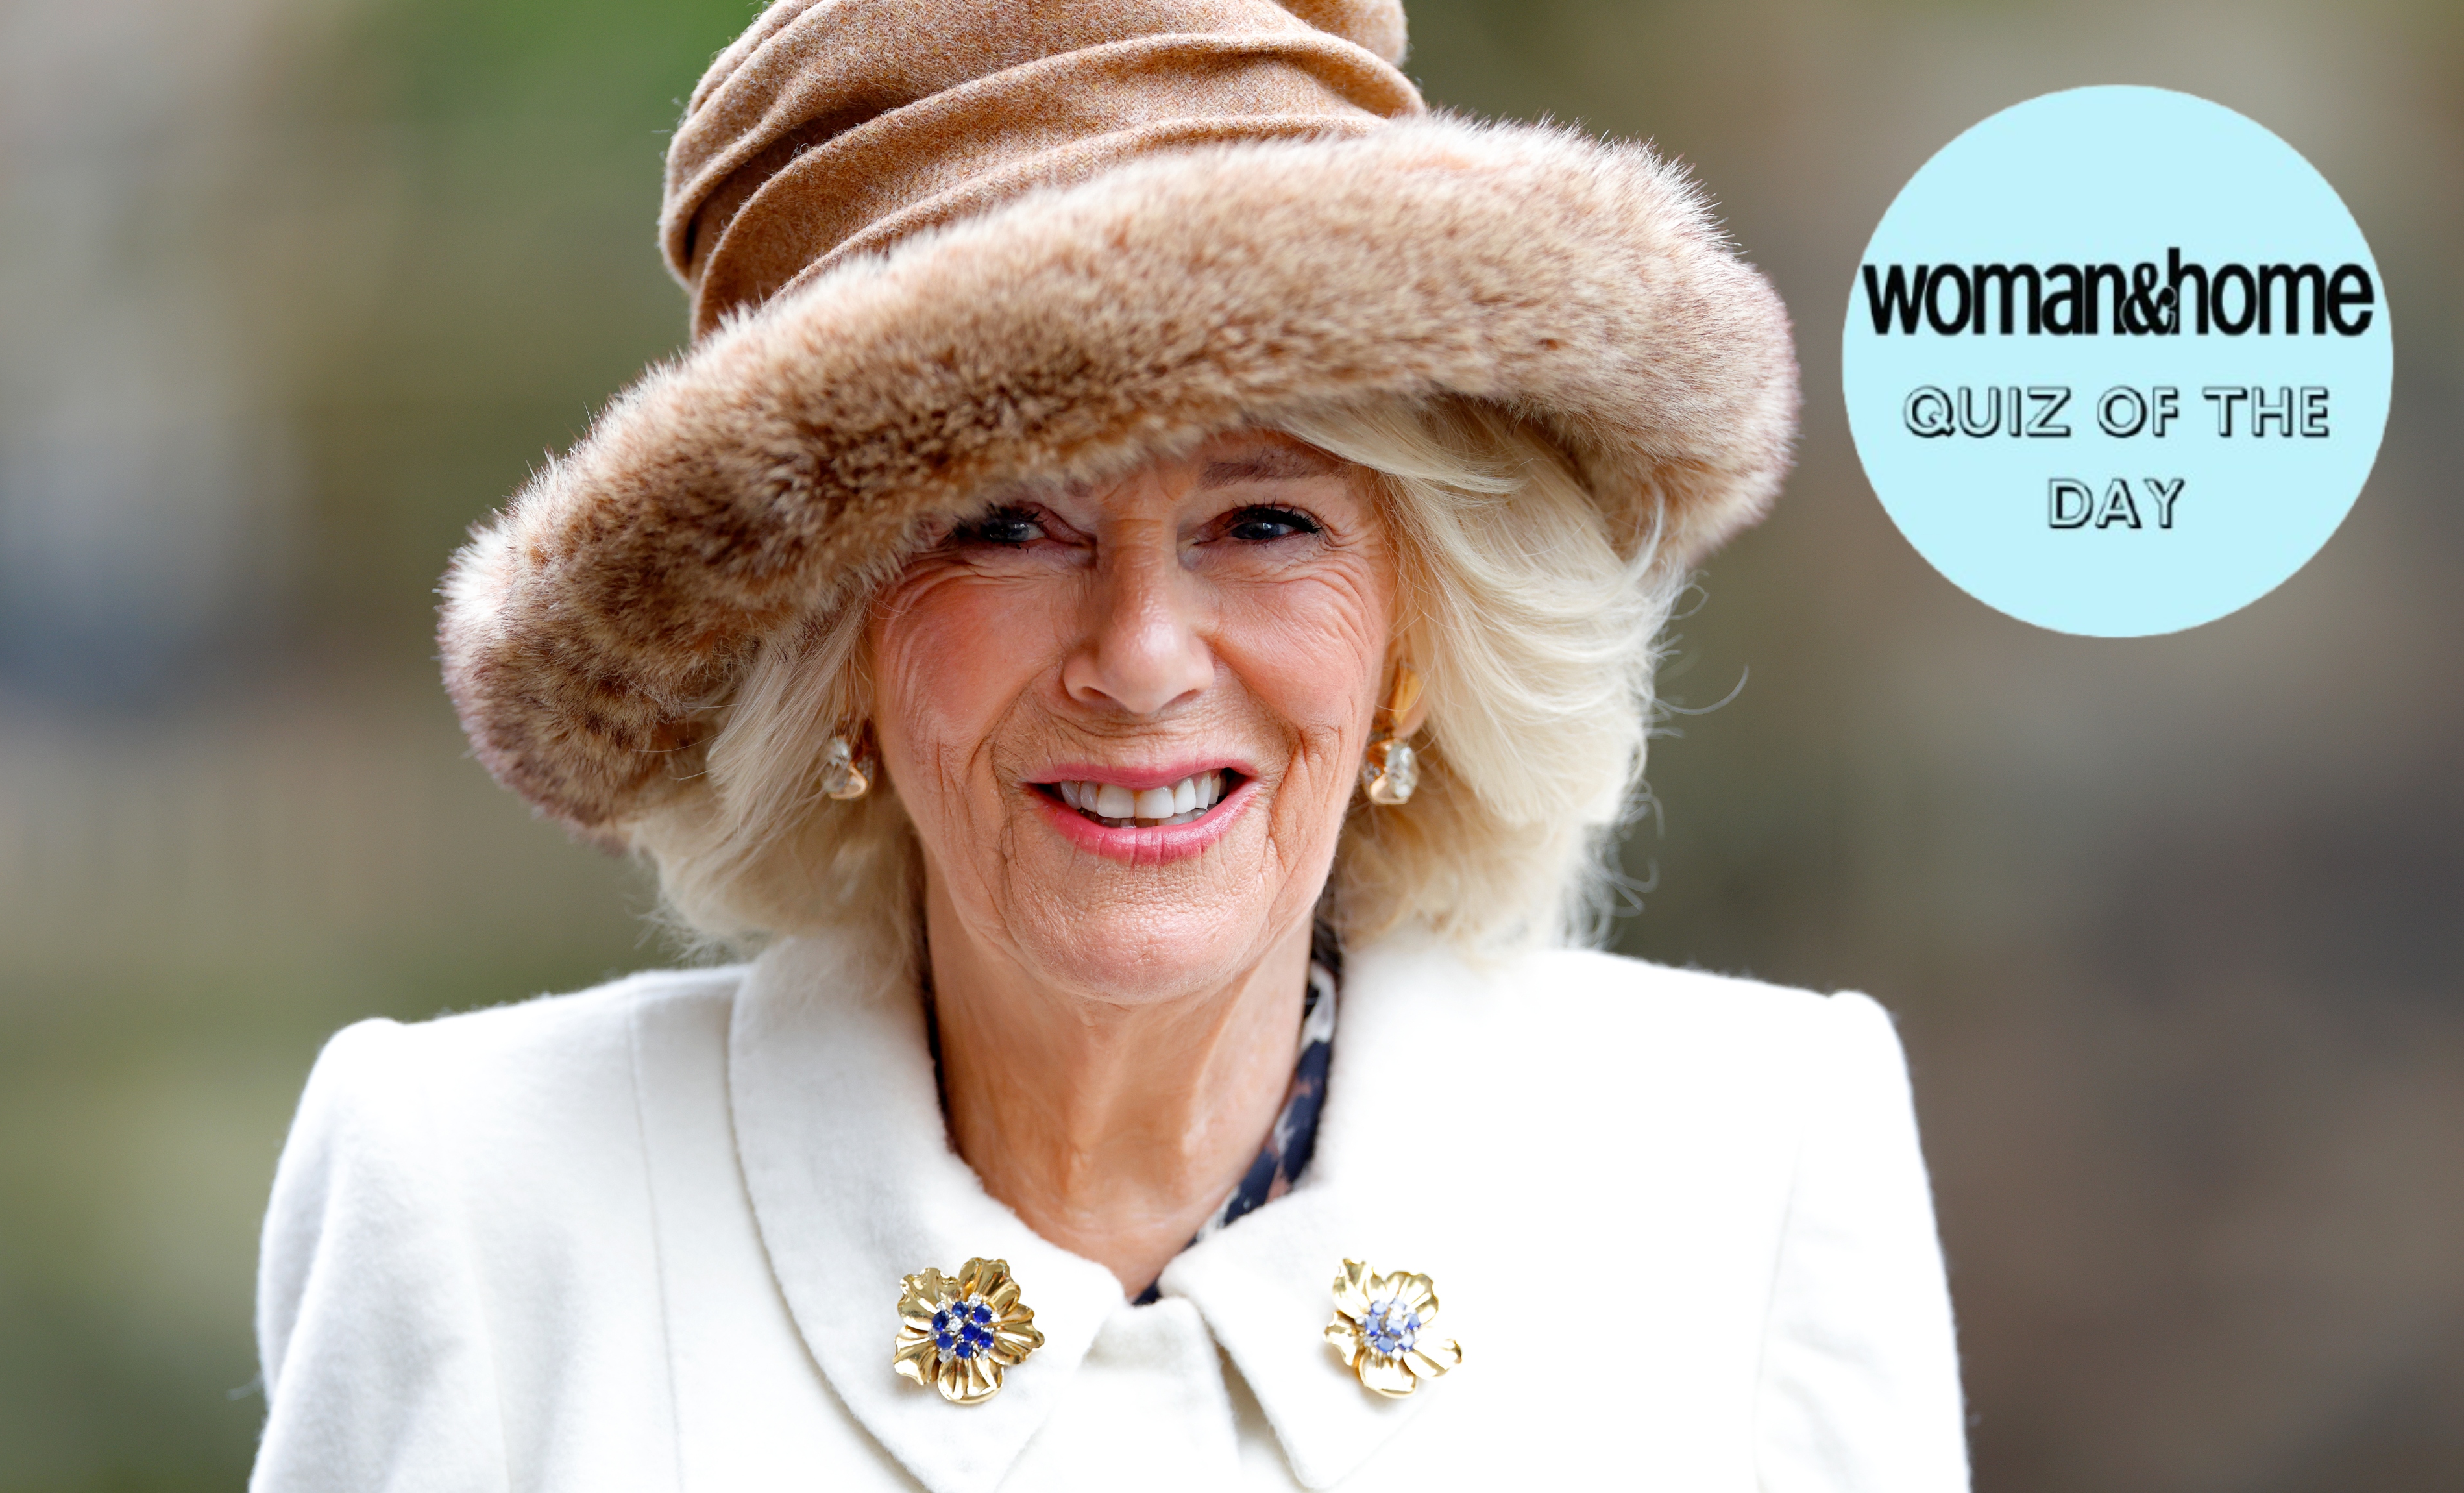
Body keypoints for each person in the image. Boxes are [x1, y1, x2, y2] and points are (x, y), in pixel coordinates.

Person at [250, 1, 1968, 1488]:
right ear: (831, 651)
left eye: (1268, 520)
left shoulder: (1759, 1164)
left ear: (1416, 641)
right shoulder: (472, 1203)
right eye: (1003, 525)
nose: (1142, 657)